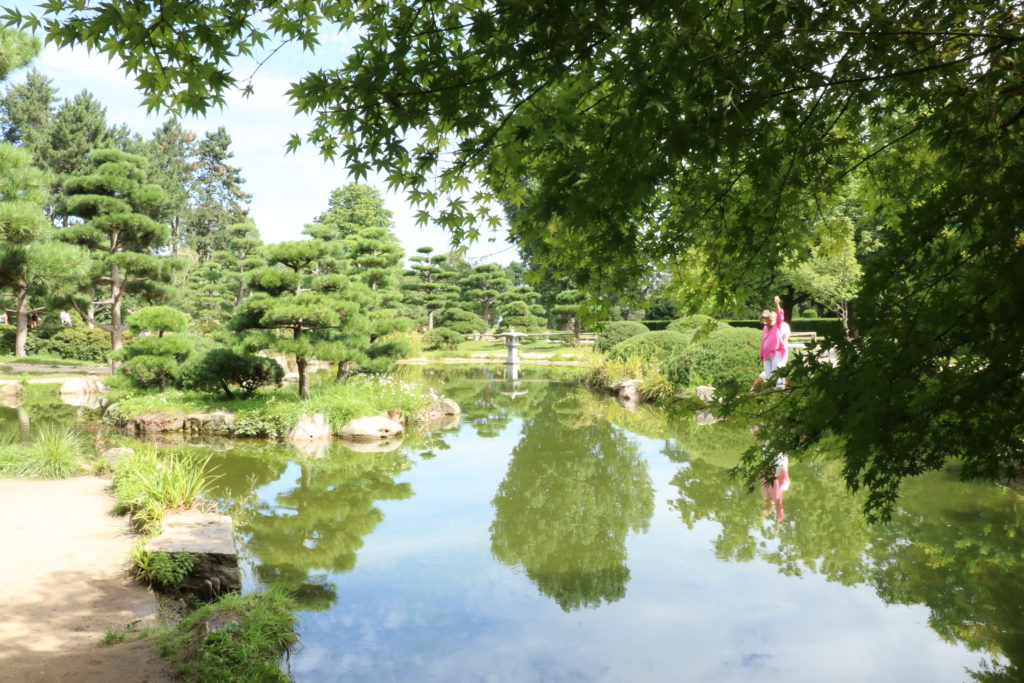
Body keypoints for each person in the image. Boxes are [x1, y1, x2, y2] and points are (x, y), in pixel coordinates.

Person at [752, 295, 786, 390]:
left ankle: (779, 390)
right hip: (766, 355)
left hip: (776, 353)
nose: (765, 320)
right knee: (768, 375)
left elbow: (780, 315)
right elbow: (763, 342)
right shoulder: (765, 328)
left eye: (768, 318)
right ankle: (771, 391)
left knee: (777, 372)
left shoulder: (777, 326)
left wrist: (777, 304)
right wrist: (761, 355)